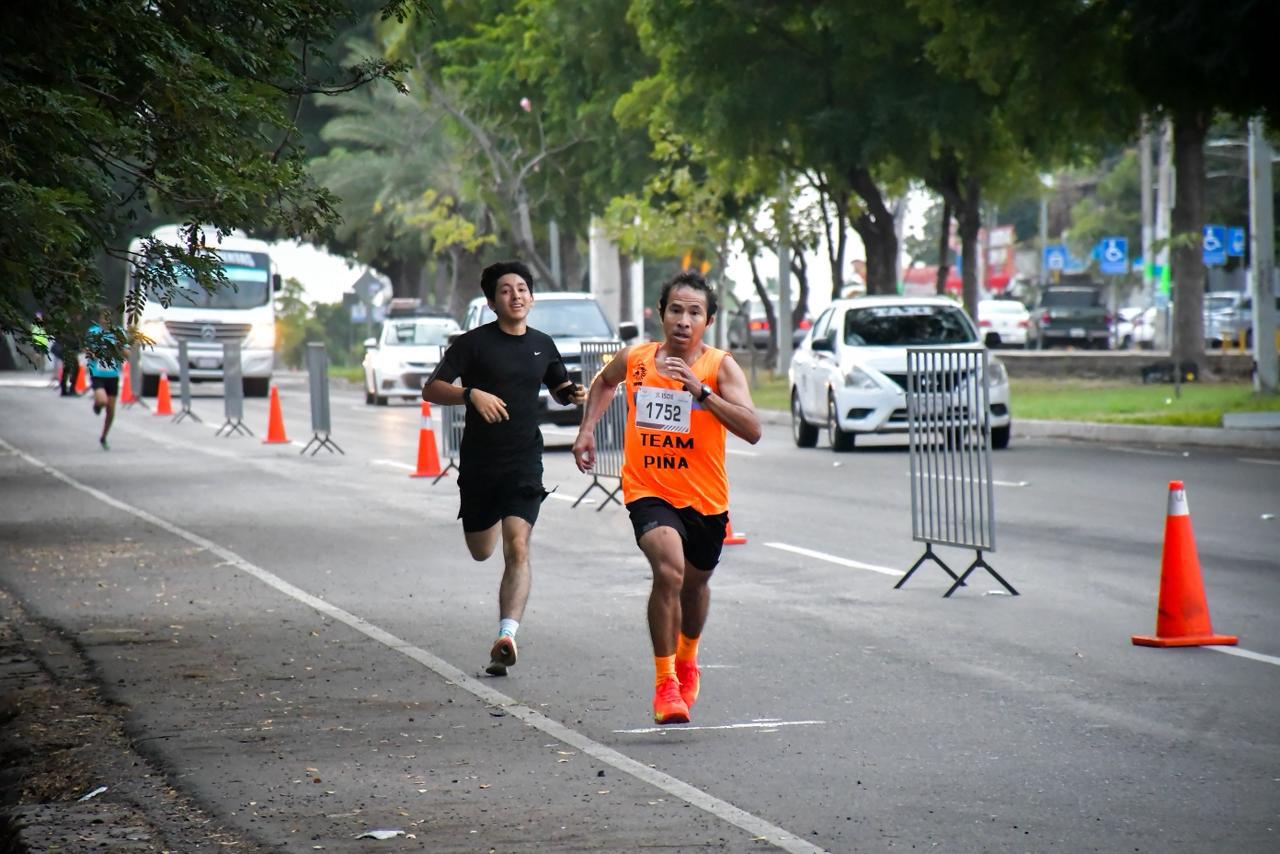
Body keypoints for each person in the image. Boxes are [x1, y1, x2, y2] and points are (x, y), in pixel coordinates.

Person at [572, 270, 761, 724]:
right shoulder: (637, 358)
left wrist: (701, 392)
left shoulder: (719, 366)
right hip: (649, 489)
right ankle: (665, 684)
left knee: (695, 586)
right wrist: (587, 430)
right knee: (669, 571)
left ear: (708, 321)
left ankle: (688, 657)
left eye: (694, 312)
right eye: (675, 309)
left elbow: (752, 429)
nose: (683, 319)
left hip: (707, 499)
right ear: (661, 314)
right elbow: (603, 382)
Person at [422, 261, 584, 676]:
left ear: (531, 297)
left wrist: (572, 393)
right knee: (482, 551)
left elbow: (558, 386)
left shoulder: (543, 344)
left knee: (518, 546)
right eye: (506, 290)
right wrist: (471, 394)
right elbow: (432, 388)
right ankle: (490, 517)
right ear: (493, 301)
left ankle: (506, 636)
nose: (516, 295)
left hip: (524, 461)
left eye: (522, 289)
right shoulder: (472, 343)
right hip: (480, 463)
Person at [84, 318, 123, 450]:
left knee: (111, 410)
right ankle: (97, 404)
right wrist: (93, 354)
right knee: (103, 401)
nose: (106, 321)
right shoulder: (93, 332)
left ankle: (104, 436)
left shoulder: (119, 333)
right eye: (103, 318)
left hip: (113, 376)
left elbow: (127, 354)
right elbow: (87, 351)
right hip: (97, 374)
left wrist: (119, 347)